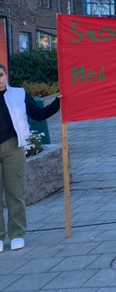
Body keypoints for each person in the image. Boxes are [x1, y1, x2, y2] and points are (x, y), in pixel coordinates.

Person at [0, 64, 61, 251]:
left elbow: (38, 114)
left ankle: (17, 234)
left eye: (0, 75)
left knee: (15, 193)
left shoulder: (18, 94)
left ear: (6, 75)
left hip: (13, 148)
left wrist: (58, 102)